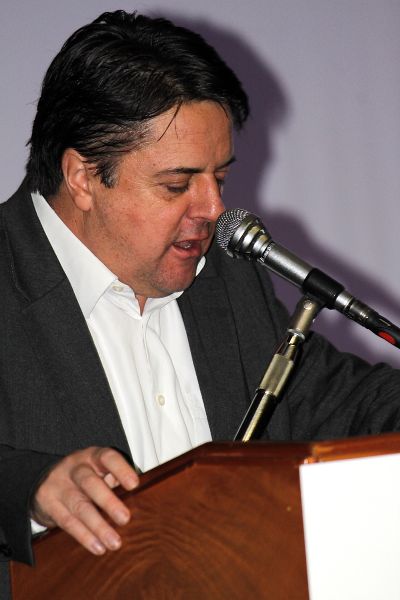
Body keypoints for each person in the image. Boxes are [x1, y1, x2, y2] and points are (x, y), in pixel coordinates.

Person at [1, 8, 400, 589]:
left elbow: (345, 402)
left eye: (221, 178)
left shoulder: (227, 279)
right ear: (83, 176)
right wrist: (28, 487)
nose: (214, 209)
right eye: (177, 184)